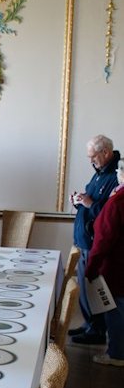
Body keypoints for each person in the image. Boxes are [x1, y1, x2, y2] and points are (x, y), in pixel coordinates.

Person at [69, 134, 120, 345]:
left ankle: (96, 331)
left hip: (94, 243)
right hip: (84, 241)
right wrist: (79, 201)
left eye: (93, 156)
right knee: (85, 287)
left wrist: (90, 204)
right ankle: (89, 324)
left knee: (95, 288)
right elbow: (91, 201)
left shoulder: (115, 176)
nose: (91, 161)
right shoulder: (98, 174)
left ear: (106, 153)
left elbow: (109, 213)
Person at [84, 159, 124, 366]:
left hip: (117, 267)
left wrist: (91, 269)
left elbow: (103, 239)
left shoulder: (118, 201)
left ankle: (117, 354)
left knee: (116, 312)